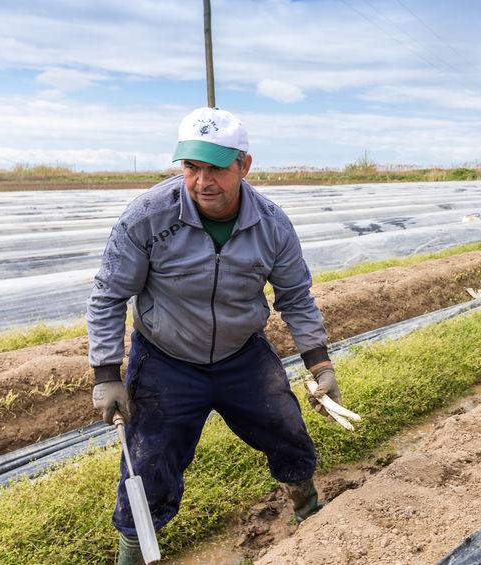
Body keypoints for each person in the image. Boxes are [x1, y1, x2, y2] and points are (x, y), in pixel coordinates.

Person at [87, 107, 340, 564]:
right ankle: (133, 552)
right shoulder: (146, 217)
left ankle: (308, 509)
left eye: (216, 168)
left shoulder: (272, 225)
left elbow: (296, 298)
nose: (202, 181)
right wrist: (106, 372)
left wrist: (319, 364)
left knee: (287, 430)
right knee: (147, 464)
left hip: (241, 355)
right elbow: (108, 295)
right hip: (166, 359)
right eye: (191, 167)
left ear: (244, 165)